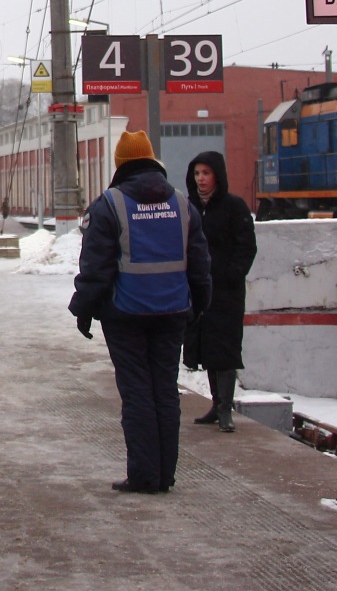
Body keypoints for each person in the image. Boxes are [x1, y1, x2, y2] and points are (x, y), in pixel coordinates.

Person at [69, 130, 211, 493]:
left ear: (120, 165)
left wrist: (83, 309)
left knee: (137, 393)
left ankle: (145, 475)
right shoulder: (182, 203)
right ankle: (165, 474)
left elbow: (96, 268)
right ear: (152, 161)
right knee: (165, 391)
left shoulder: (110, 204)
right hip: (172, 312)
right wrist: (198, 304)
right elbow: (199, 263)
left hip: (125, 314)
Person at [184, 151, 258, 432]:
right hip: (198, 289)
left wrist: (230, 275)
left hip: (226, 291)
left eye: (206, 173)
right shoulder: (188, 206)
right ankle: (216, 404)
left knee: (225, 347)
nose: (201, 179)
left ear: (217, 175)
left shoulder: (233, 207)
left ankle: (226, 407)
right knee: (205, 347)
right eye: (197, 174)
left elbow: (246, 247)